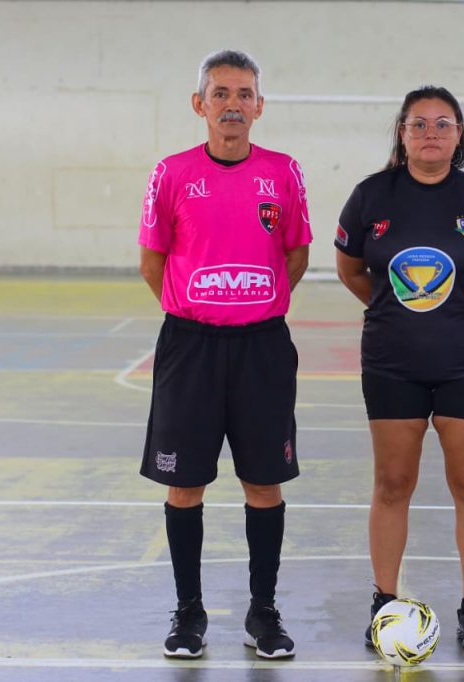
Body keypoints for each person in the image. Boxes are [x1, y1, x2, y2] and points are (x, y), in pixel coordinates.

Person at [137, 49, 312, 660]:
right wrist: (198, 309)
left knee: (264, 482)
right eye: (220, 93)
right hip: (191, 347)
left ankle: (263, 611)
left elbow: (295, 254)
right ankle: (189, 612)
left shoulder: (283, 172)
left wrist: (251, 306)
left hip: (262, 346)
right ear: (200, 104)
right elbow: (153, 262)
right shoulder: (172, 172)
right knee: (184, 484)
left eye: (243, 94)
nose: (232, 104)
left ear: (259, 106)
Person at [335, 86, 464, 651]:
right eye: (419, 123)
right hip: (392, 363)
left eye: (443, 123)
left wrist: (458, 313)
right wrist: (396, 311)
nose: (431, 133)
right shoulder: (371, 196)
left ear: (459, 134)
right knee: (393, 483)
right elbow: (351, 270)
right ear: (402, 132)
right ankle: (384, 601)